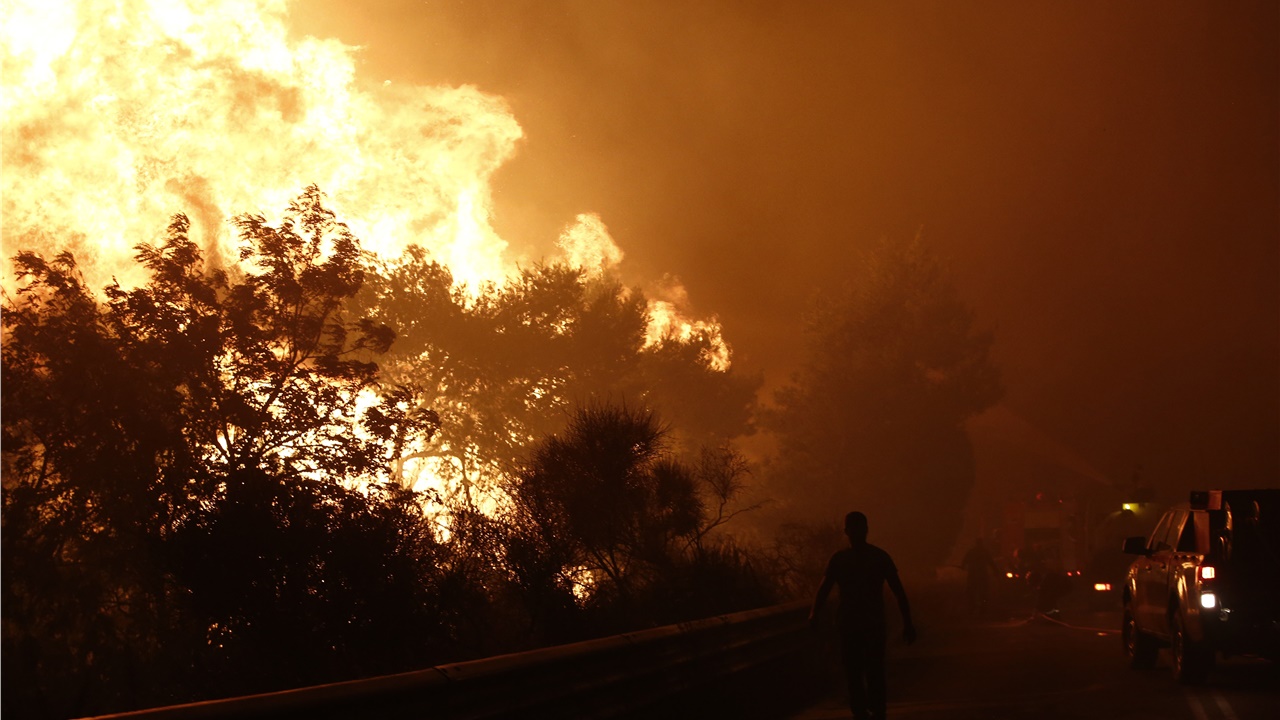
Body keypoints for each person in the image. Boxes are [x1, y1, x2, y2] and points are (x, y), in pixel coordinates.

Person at [810, 511, 916, 720]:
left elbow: (898, 591)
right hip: (858, 623)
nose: (857, 532)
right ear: (848, 531)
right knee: (860, 670)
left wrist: (814, 614)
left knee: (863, 670)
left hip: (862, 623)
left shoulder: (849, 558)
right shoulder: (874, 557)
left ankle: (870, 710)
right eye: (855, 528)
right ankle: (868, 709)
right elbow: (824, 589)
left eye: (860, 528)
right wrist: (814, 613)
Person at [960, 537, 998, 618]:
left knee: (972, 591)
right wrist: (996, 571)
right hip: (982, 574)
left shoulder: (971, 552)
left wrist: (962, 567)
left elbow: (964, 562)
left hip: (973, 574)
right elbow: (991, 562)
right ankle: (983, 609)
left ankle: (972, 608)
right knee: (984, 592)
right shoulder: (985, 552)